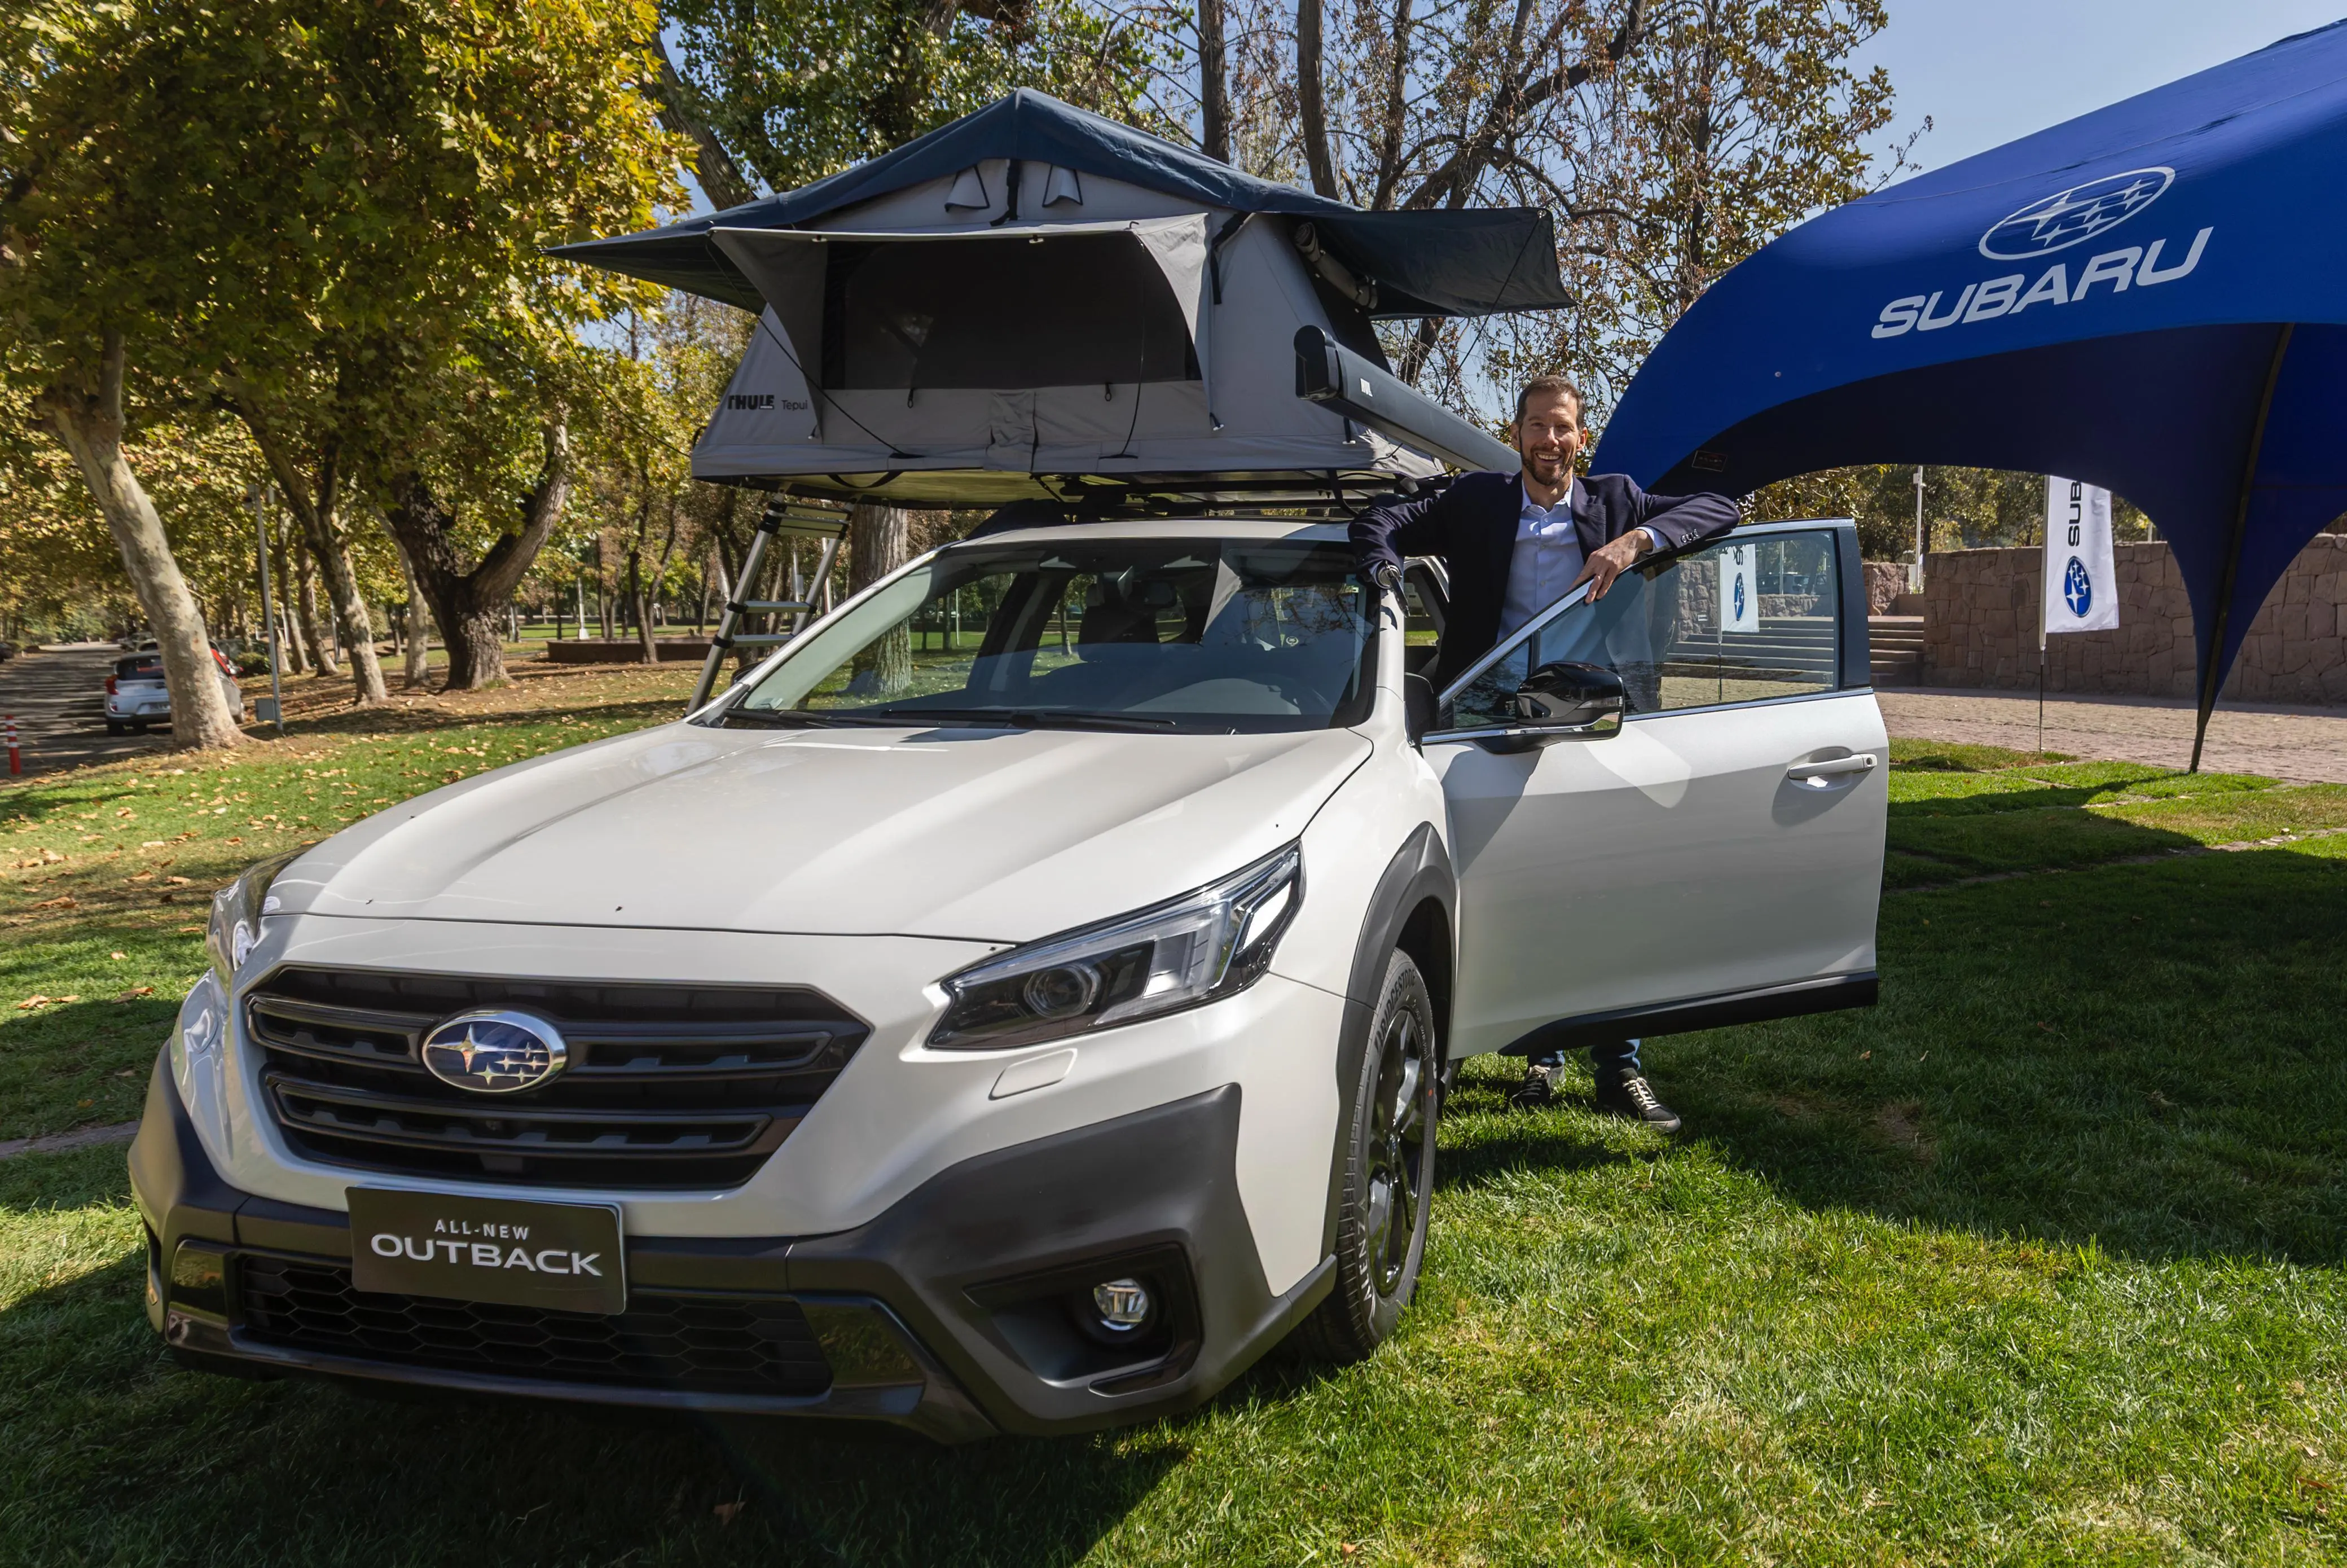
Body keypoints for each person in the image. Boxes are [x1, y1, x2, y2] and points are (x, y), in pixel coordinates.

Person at [1349, 374, 1739, 1131]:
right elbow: (1382, 521)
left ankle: (1618, 1064)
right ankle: (1526, 1050)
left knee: (1610, 885)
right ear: (1518, 432)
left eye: (1562, 428)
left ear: (1578, 437)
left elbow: (1723, 507)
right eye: (1536, 426)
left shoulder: (1618, 500)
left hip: (1589, 714)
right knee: (1486, 883)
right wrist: (1384, 574)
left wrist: (1636, 542)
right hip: (1484, 714)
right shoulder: (1476, 501)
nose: (1549, 441)